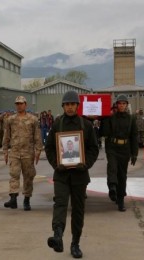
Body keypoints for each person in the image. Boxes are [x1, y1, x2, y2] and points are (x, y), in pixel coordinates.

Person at [45, 90, 99, 258]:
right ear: (63, 106)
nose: (69, 107)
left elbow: (93, 149)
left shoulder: (86, 125)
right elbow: (49, 148)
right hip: (61, 174)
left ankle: (75, 243)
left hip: (79, 175)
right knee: (60, 203)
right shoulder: (57, 124)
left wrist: (86, 164)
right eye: (67, 104)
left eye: (72, 104)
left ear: (77, 105)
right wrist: (56, 164)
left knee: (78, 210)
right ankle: (58, 236)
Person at [2, 96, 43, 211]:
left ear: (25, 104)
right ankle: (13, 199)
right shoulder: (10, 119)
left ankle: (26, 200)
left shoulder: (33, 119)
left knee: (28, 177)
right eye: (17, 104)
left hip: (28, 153)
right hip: (14, 152)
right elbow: (6, 136)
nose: (19, 105)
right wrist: (5, 150)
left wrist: (38, 150)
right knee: (14, 174)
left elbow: (37, 136)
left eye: (21, 103)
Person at [100, 94, 138, 212]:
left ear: (127, 105)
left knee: (122, 175)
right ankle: (112, 188)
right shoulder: (111, 118)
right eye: (119, 103)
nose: (121, 106)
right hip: (112, 147)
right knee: (112, 168)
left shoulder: (131, 119)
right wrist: (105, 118)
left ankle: (120, 200)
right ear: (116, 105)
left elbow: (134, 137)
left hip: (125, 149)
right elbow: (104, 132)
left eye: (124, 103)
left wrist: (134, 153)